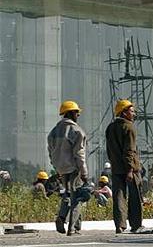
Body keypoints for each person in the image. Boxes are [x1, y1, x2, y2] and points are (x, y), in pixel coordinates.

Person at [47, 100, 88, 236]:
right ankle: (72, 228)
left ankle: (62, 218)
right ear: (70, 113)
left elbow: (50, 151)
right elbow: (79, 153)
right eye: (76, 112)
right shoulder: (76, 131)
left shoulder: (53, 131)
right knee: (78, 198)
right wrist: (84, 172)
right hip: (74, 168)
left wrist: (56, 166)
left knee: (68, 194)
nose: (78, 115)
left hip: (61, 168)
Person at [106, 99, 144, 234]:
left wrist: (115, 164)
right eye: (132, 111)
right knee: (134, 197)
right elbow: (129, 150)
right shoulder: (129, 127)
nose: (134, 114)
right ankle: (135, 224)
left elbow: (109, 150)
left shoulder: (110, 128)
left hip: (116, 168)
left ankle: (120, 225)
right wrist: (129, 169)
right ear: (124, 113)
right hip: (130, 169)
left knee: (119, 198)